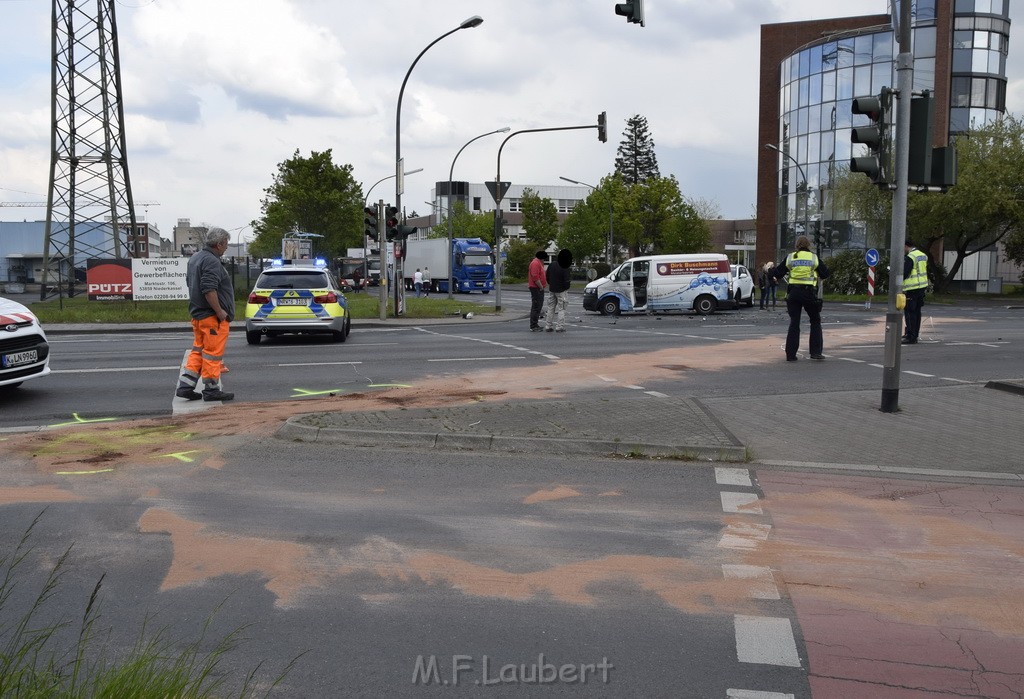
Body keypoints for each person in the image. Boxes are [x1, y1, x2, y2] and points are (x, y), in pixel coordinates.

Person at [176, 227, 234, 401]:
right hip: (212, 317)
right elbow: (209, 289)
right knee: (212, 354)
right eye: (226, 244)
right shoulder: (211, 261)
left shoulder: (196, 258)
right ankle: (211, 389)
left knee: (198, 351)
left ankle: (186, 385)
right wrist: (220, 311)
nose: (226, 247)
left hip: (198, 315)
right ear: (219, 244)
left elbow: (191, 283)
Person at [773, 235, 830, 362]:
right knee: (815, 321)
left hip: (793, 293)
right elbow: (825, 273)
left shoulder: (791, 257)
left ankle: (790, 354)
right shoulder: (813, 258)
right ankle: (815, 352)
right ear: (808, 245)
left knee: (794, 323)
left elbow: (778, 273)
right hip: (809, 293)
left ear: (797, 246)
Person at [902, 240, 929, 344]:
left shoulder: (910, 257)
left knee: (909, 312)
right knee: (917, 312)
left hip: (912, 288)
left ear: (906, 246)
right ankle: (915, 334)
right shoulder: (923, 255)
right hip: (921, 287)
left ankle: (910, 336)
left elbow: (905, 273)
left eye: (903, 247)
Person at [544, 249, 573, 333]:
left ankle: (548, 325)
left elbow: (547, 276)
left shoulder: (552, 265)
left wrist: (551, 284)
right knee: (562, 308)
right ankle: (559, 326)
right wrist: (566, 287)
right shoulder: (565, 267)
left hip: (552, 289)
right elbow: (566, 280)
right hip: (561, 291)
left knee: (550, 308)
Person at [528, 250, 548, 331]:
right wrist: (541, 286)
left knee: (538, 306)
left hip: (537, 287)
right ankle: (533, 325)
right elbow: (535, 276)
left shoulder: (538, 263)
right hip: (536, 288)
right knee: (536, 306)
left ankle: (535, 324)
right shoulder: (535, 263)